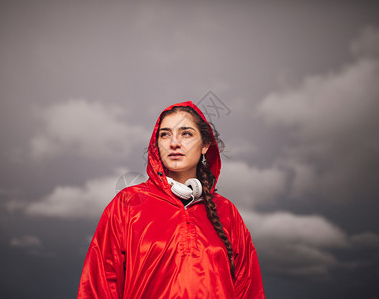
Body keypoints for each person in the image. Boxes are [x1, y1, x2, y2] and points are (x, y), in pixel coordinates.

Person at [78, 101, 265, 298]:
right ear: (156, 145)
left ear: (205, 146)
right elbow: (99, 286)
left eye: (186, 134)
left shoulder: (227, 212)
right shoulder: (128, 204)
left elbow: (249, 289)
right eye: (165, 134)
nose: (174, 143)